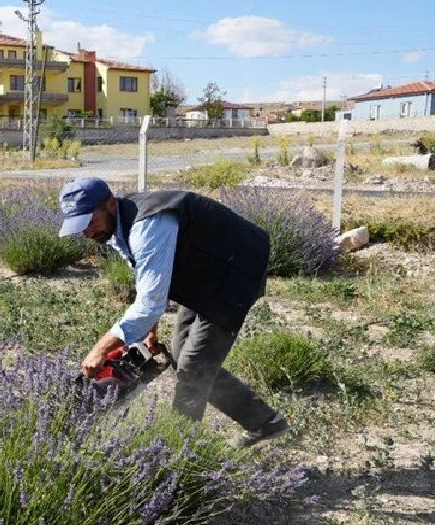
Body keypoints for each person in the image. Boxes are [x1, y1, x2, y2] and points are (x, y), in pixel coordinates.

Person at [58, 177, 288, 447]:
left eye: (88, 222)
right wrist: (149, 330)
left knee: (194, 367)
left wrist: (100, 350)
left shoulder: (148, 224)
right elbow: (149, 283)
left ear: (109, 203)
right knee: (181, 358)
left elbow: (149, 303)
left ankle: (177, 454)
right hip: (203, 275)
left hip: (236, 272)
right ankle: (265, 421)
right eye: (79, 226)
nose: (85, 233)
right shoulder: (115, 226)